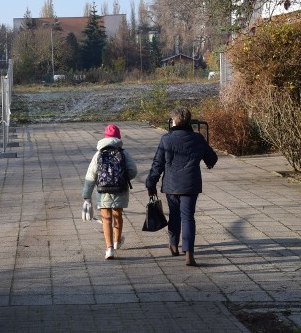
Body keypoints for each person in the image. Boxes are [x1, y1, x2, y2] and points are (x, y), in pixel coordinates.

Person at [145, 107, 217, 266]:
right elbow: (212, 158)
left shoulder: (166, 139)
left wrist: (151, 183)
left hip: (172, 185)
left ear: (175, 121)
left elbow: (158, 164)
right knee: (188, 217)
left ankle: (173, 245)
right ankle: (189, 253)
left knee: (174, 215)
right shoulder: (198, 138)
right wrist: (206, 161)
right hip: (191, 184)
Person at [82, 124, 138, 260]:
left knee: (106, 219)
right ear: (118, 137)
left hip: (103, 190)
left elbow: (90, 176)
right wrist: (123, 178)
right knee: (117, 215)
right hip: (120, 189)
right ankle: (117, 241)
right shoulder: (124, 153)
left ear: (105, 137)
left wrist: (86, 196)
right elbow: (133, 171)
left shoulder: (99, 153)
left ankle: (109, 249)